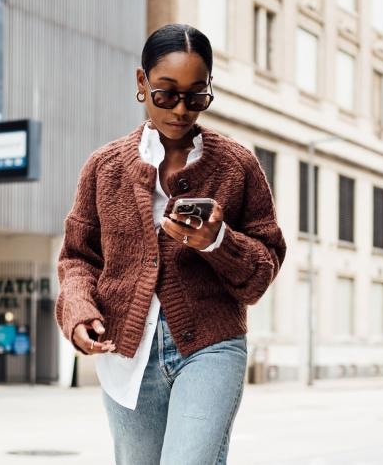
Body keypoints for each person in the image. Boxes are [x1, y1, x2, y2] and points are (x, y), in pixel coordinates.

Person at [55, 23, 286, 464]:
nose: (182, 109)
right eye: (166, 94)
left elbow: (264, 266)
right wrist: (78, 312)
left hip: (211, 347)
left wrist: (217, 241)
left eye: (197, 96)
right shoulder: (104, 168)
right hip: (126, 353)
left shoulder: (238, 166)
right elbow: (77, 259)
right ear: (142, 84)